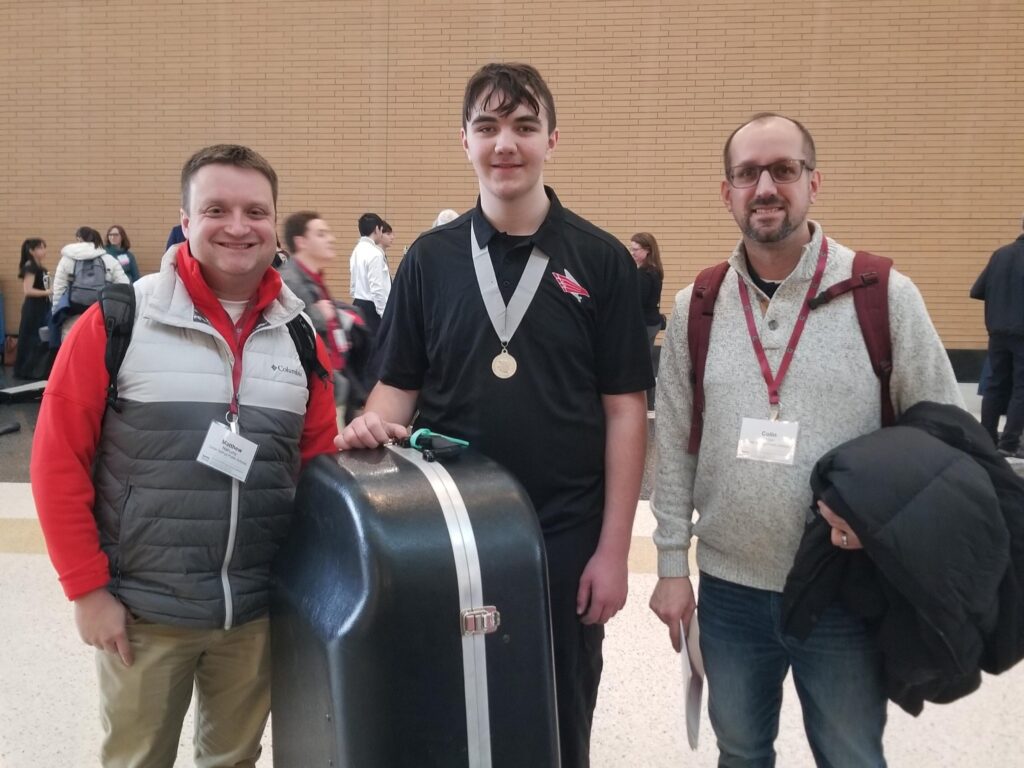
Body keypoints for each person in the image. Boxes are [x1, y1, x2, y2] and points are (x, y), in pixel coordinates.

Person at [336, 62, 653, 767]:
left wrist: (613, 551)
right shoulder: (429, 260)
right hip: (449, 527)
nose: (504, 143)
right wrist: (368, 426)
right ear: (464, 142)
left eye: (523, 126)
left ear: (552, 139)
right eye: (487, 127)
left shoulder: (599, 260)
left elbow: (626, 413)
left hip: (563, 531)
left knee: (559, 705)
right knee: (452, 697)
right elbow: (397, 391)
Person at [648, 112, 963, 767]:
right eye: (747, 173)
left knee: (849, 753)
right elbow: (676, 441)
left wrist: (885, 520)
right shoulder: (696, 307)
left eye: (783, 170)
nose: (765, 186)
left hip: (843, 587)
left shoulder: (882, 294)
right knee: (739, 749)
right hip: (731, 587)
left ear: (813, 182)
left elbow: (945, 438)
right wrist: (673, 567)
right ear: (727, 191)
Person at [31, 144, 338, 767]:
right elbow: (56, 459)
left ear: (273, 223)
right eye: (216, 208)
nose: (237, 225)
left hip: (253, 613)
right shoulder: (120, 320)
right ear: (185, 218)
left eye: (255, 211)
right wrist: (87, 590)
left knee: (234, 760)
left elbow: (317, 468)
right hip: (144, 614)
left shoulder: (299, 334)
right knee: (138, 759)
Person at [279, 210, 370, 425]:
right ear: (301, 242)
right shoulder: (290, 281)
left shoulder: (314, 280)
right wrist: (320, 314)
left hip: (334, 387)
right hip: (314, 395)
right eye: (321, 234)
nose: (331, 238)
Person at [971, 218, 1024, 457]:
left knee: (994, 385)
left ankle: (987, 440)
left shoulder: (1000, 254)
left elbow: (977, 290)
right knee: (1021, 388)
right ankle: (1009, 443)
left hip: (997, 331)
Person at [51, 226, 129, 339]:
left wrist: (56, 313)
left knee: (72, 350)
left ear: (79, 239)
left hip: (72, 315)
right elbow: (124, 286)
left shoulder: (67, 259)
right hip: (100, 315)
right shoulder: (109, 260)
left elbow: (58, 288)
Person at [13, 237, 53, 380]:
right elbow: (28, 290)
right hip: (33, 307)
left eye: (44, 247)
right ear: (32, 251)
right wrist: (48, 292)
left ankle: (37, 370)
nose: (44, 250)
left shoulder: (42, 268)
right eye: (41, 248)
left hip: (43, 306)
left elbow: (46, 286)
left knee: (40, 338)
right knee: (30, 338)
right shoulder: (30, 266)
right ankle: (26, 370)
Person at [349, 212, 390, 334]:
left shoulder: (356, 250)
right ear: (377, 229)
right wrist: (385, 315)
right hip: (372, 310)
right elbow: (377, 288)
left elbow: (353, 285)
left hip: (358, 304)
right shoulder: (375, 253)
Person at [628, 231, 664, 367]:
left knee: (638, 364)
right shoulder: (655, 271)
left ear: (647, 250)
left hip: (643, 324)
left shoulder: (643, 275)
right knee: (645, 362)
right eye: (631, 249)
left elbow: (637, 302)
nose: (632, 252)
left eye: (636, 249)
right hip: (652, 322)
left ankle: (644, 388)